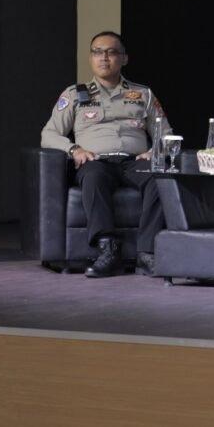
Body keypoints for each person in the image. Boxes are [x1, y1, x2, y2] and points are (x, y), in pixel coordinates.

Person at [41, 31, 171, 278]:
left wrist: (154, 151)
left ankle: (147, 253)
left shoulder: (143, 94)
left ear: (124, 58)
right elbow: (49, 134)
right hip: (96, 161)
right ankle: (107, 249)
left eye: (111, 52)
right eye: (98, 52)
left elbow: (166, 134)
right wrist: (74, 150)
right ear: (91, 58)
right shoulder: (74, 94)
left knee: (160, 177)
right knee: (93, 177)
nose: (104, 58)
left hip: (133, 161)